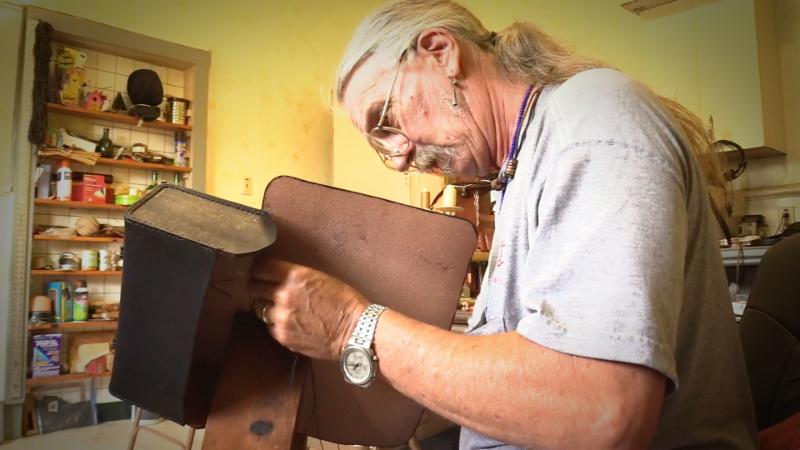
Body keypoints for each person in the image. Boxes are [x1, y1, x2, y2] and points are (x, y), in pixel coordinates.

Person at [249, 1, 758, 448]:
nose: (399, 157)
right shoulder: (519, 168)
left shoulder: (592, 119)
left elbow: (603, 414)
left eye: (386, 119)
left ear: (440, 52)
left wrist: (353, 326)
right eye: (381, 146)